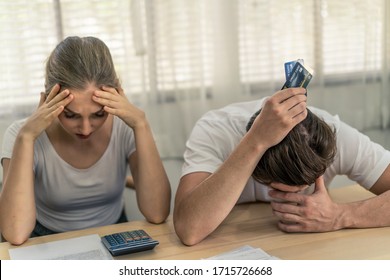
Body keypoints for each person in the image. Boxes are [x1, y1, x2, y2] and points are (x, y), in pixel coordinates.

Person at [0, 36, 171, 245]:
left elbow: (157, 213)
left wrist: (141, 124)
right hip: (45, 238)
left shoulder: (126, 126)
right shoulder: (20, 133)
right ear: (48, 99)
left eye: (99, 114)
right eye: (71, 115)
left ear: (117, 94)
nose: (86, 128)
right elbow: (15, 233)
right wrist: (26, 138)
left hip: (113, 233)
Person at [173, 88, 390, 246]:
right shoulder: (216, 131)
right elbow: (188, 230)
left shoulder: (334, 135)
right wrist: (254, 143)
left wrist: (339, 215)